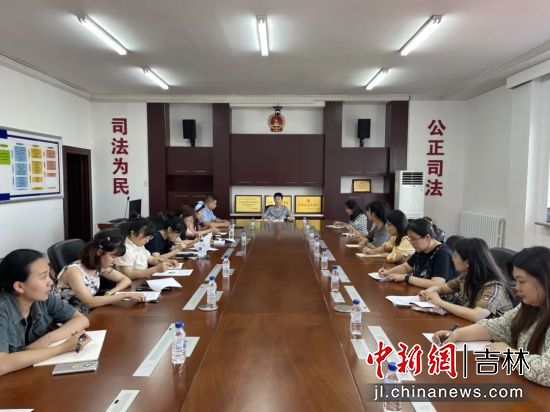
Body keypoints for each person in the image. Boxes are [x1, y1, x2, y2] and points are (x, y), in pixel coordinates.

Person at [431, 246, 550, 387]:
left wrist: (509, 353)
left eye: (521, 281)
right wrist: (456, 335)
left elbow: (547, 371)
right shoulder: (531, 306)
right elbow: (500, 326)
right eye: (516, 281)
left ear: (544, 279)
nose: (516, 287)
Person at [0, 249, 90, 376]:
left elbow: (81, 320)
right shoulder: (3, 309)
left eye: (49, 274)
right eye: (43, 277)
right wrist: (62, 348)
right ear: (19, 286)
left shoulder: (42, 297)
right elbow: (2, 364)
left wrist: (46, 340)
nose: (51, 282)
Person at [419, 238, 513, 322]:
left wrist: (440, 302)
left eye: (455, 256)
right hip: (471, 326)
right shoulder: (465, 276)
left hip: (492, 334)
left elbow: (477, 316)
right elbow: (443, 288)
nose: (452, 259)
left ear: (467, 262)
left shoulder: (494, 286)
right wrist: (429, 292)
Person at [54, 229, 146, 314]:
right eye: (113, 257)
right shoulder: (74, 271)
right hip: (68, 318)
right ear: (99, 252)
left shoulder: (99, 267)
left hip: (86, 314)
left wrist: (110, 293)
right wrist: (125, 295)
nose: (115, 261)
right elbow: (90, 302)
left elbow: (126, 280)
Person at [378, 217, 456, 288]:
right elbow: (406, 267)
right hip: (419, 292)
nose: (411, 243)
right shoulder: (421, 249)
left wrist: (407, 278)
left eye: (413, 239)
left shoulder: (443, 253)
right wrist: (388, 272)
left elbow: (437, 284)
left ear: (427, 237)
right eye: (410, 239)